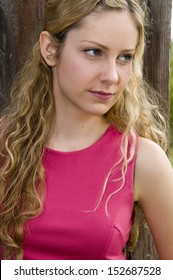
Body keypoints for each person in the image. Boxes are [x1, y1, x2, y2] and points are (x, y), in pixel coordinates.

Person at [0, 0, 173, 260]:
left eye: (125, 57)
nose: (112, 76)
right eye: (94, 52)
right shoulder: (5, 144)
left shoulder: (141, 160)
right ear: (50, 49)